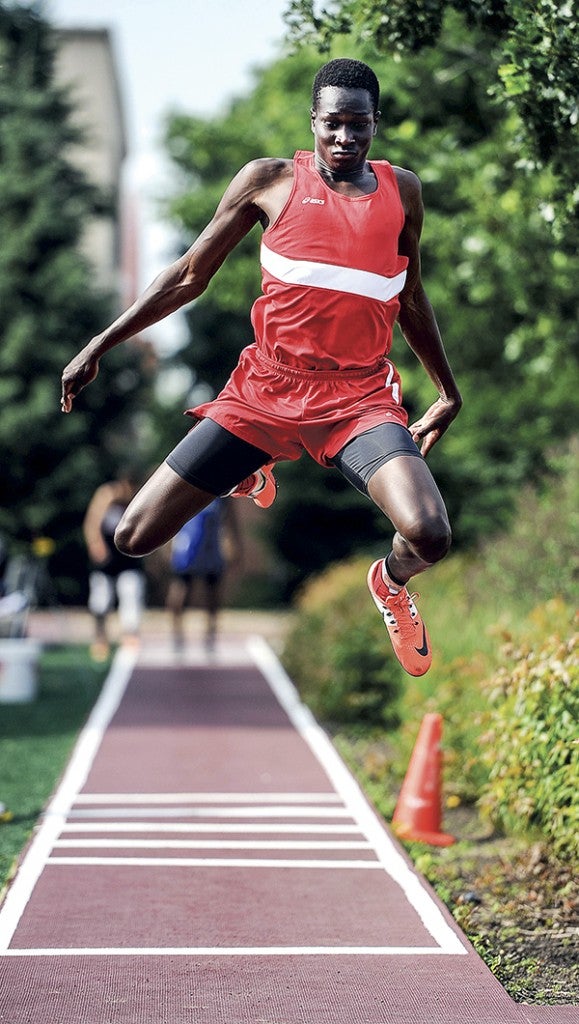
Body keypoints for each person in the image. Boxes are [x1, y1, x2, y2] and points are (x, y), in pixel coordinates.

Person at [62, 57, 462, 677]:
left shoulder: (401, 192)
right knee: (133, 536)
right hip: (263, 395)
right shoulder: (268, 182)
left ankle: (387, 581)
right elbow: (189, 274)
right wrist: (99, 343)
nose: (345, 139)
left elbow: (409, 295)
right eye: (333, 124)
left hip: (356, 401)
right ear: (313, 121)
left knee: (430, 532)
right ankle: (248, 465)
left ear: (376, 125)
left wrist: (446, 390)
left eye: (360, 126)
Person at [82, 472, 146, 659]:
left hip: (128, 554)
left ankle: (130, 635)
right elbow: (92, 524)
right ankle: (100, 639)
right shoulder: (106, 494)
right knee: (101, 599)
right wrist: (96, 545)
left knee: (131, 592)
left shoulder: (137, 497)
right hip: (107, 553)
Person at [166, 496, 241, 653]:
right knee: (180, 591)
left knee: (212, 593)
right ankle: (177, 635)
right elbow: (170, 513)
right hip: (188, 545)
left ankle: (210, 636)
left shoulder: (223, 491)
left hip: (211, 546)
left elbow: (231, 519)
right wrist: (168, 545)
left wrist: (234, 545)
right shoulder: (188, 483)